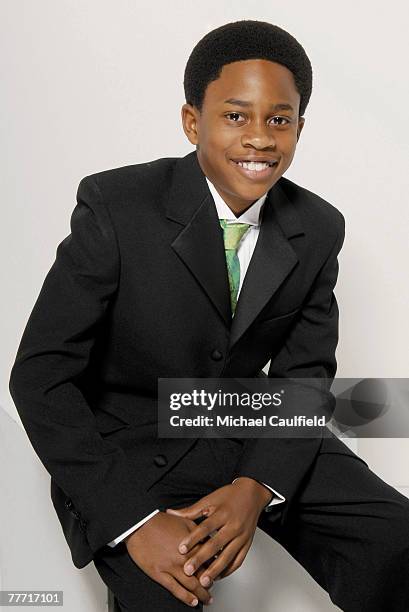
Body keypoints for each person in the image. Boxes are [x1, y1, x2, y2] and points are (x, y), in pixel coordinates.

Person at [9, 19, 409, 612]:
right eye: (236, 115)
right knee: (171, 592)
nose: (260, 138)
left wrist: (256, 488)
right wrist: (134, 522)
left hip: (252, 425)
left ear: (300, 127)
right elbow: (40, 377)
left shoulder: (320, 227)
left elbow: (304, 379)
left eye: (280, 119)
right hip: (133, 444)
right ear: (193, 121)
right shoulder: (116, 206)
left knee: (396, 539)